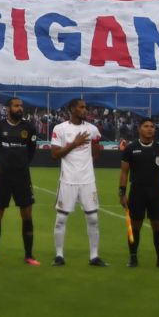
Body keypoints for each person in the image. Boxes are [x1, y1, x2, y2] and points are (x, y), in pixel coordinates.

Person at [50, 98, 107, 267]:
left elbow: (96, 154)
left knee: (93, 218)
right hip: (67, 180)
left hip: (88, 180)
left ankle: (94, 256)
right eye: (81, 107)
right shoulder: (60, 129)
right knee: (61, 218)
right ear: (72, 109)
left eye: (85, 107)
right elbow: (54, 155)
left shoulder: (92, 129)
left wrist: (87, 161)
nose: (85, 110)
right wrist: (75, 144)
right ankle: (59, 255)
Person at [0, 97, 39, 265]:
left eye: (21, 105)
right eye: (16, 106)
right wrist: (2, 164)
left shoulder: (29, 128)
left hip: (22, 176)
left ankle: (29, 256)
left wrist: (20, 165)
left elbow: (31, 152)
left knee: (27, 215)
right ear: (8, 108)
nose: (20, 108)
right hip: (3, 177)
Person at [119, 118, 159, 268]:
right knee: (135, 226)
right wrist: (122, 193)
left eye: (152, 127)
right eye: (146, 126)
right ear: (139, 129)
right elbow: (124, 172)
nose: (150, 129)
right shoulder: (131, 148)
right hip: (137, 192)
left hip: (156, 192)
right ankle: (133, 257)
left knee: (158, 224)